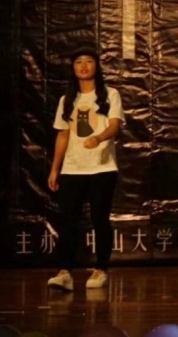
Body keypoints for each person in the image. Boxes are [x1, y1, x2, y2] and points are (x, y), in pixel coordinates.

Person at [47, 47, 124, 291]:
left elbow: (115, 125)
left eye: (89, 61)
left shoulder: (110, 94)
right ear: (73, 68)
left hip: (102, 167)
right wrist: (55, 169)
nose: (83, 66)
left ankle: (101, 269)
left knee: (99, 218)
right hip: (72, 168)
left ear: (97, 66)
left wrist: (99, 138)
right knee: (67, 220)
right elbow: (62, 134)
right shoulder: (67, 100)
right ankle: (65, 272)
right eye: (78, 62)